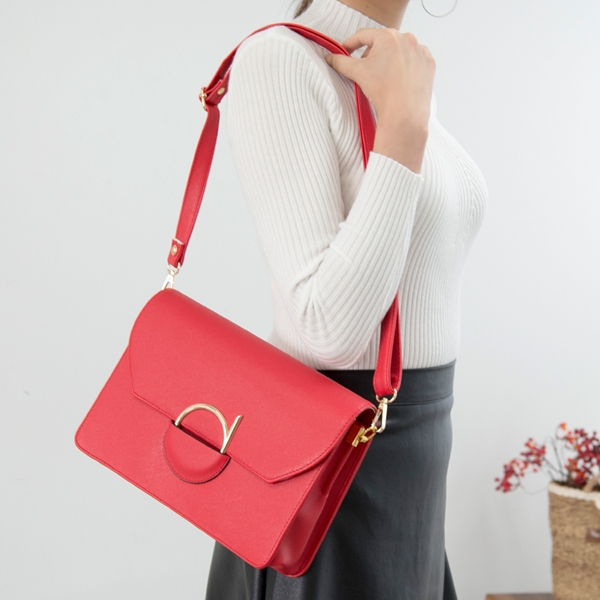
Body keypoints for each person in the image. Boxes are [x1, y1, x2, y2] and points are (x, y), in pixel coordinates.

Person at [205, 0, 488, 597]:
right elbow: (324, 326)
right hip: (333, 477)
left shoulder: (395, 68)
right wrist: (403, 127)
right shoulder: (282, 59)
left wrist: (406, 110)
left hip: (413, 465)